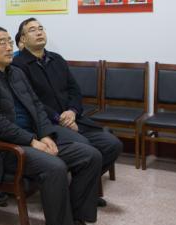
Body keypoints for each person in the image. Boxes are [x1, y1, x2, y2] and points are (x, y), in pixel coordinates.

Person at [0, 27, 104, 225]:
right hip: (5, 149)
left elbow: (37, 107)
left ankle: (76, 220)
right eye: (1, 43)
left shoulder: (16, 73)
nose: (9, 47)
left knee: (90, 155)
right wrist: (32, 140)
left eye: (10, 42)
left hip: (33, 138)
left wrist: (46, 134)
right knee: (55, 167)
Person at [12, 18, 122, 199]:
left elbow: (74, 90)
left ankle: (78, 192)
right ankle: (79, 195)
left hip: (73, 118)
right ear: (22, 39)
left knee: (112, 144)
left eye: (41, 28)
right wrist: (60, 119)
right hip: (47, 124)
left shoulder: (57, 59)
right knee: (85, 147)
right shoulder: (18, 66)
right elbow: (32, 101)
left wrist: (72, 111)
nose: (39, 32)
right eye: (32, 30)